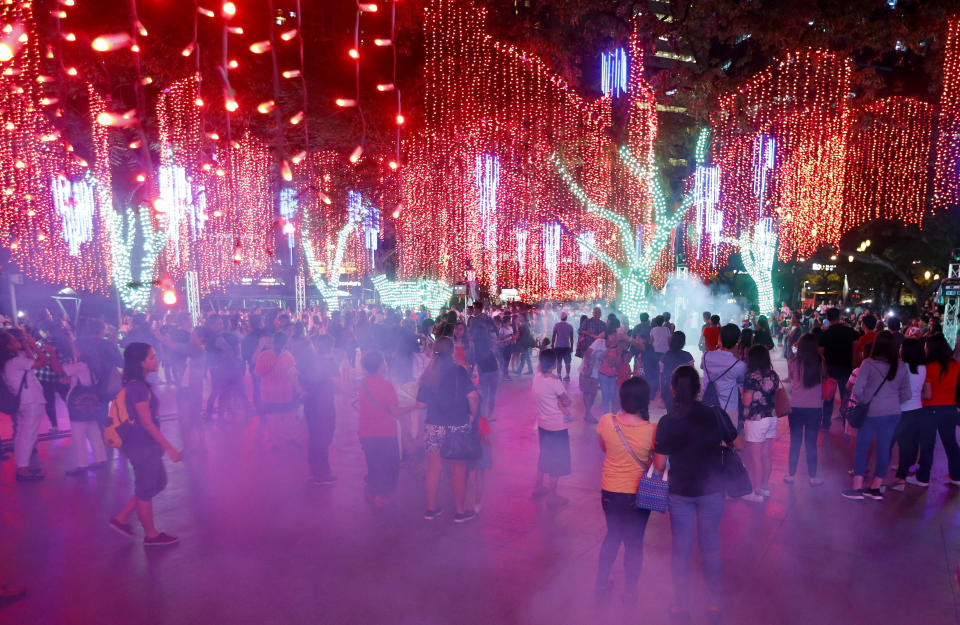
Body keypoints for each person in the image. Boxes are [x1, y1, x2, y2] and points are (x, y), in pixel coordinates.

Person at [653, 366, 739, 625]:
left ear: (673, 390)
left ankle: (681, 605)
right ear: (699, 388)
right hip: (712, 491)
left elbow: (658, 466)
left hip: (680, 492)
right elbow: (740, 443)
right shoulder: (715, 413)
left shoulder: (668, 421)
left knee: (681, 549)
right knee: (710, 547)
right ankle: (714, 605)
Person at [108, 343, 183, 546]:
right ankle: (151, 535)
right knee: (146, 489)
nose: (156, 360)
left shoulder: (137, 385)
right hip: (141, 445)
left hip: (143, 444)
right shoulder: (138, 388)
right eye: (152, 357)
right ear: (141, 362)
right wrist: (170, 447)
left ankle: (121, 518)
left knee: (156, 483)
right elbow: (146, 422)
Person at [595, 377, 657, 602]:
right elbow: (656, 465)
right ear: (644, 401)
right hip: (637, 494)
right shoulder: (652, 430)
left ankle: (601, 583)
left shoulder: (606, 421)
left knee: (612, 535)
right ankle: (630, 591)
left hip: (609, 491)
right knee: (634, 542)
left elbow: (604, 448)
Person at [416, 337, 481, 523]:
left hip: (433, 425)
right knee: (458, 470)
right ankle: (460, 512)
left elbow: (420, 404)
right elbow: (473, 396)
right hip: (456, 426)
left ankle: (431, 509)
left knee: (434, 468)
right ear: (452, 351)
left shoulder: (429, 372)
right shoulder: (458, 371)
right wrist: (471, 416)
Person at [842, 331, 911, 500]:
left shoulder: (868, 364)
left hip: (872, 413)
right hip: (893, 413)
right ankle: (875, 487)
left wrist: (868, 402)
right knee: (884, 449)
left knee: (862, 447)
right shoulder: (901, 366)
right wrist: (893, 402)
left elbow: (857, 391)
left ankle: (857, 487)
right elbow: (906, 394)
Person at [358, 350, 411, 507]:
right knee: (390, 465)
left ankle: (371, 490)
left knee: (373, 463)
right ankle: (382, 496)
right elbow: (394, 411)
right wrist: (413, 407)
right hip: (385, 432)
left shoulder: (363, 383)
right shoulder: (386, 385)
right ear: (382, 366)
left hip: (365, 431)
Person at [911, 334, 960, 487]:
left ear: (931, 349)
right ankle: (956, 475)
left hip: (930, 410)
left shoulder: (928, 368)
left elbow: (928, 394)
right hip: (950, 409)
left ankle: (923, 478)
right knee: (951, 444)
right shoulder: (956, 366)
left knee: (927, 445)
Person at [1, 330, 49, 482]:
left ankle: (22, 466)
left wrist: (27, 346)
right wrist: (33, 344)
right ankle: (22, 469)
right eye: (14, 339)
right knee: (27, 436)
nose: (17, 340)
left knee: (23, 434)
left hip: (24, 401)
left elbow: (31, 361)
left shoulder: (10, 361)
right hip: (31, 401)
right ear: (8, 346)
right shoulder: (16, 362)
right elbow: (44, 361)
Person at [531, 349, 573, 506]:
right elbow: (567, 401)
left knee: (544, 454)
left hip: (543, 424)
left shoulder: (536, 378)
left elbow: (540, 371)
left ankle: (538, 487)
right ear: (554, 363)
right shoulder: (554, 382)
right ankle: (552, 496)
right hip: (557, 426)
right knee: (557, 459)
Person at [741, 345, 780, 502]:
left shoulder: (751, 376)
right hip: (772, 417)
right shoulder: (773, 375)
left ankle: (756, 492)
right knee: (766, 455)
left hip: (756, 419)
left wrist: (741, 393)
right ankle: (765, 487)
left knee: (755, 457)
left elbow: (747, 401)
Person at [63, 344, 109, 476]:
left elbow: (60, 369)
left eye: (76, 348)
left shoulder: (80, 365)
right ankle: (101, 458)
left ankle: (82, 464)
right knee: (93, 429)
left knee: (78, 433)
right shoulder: (94, 364)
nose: (74, 350)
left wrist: (52, 355)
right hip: (92, 400)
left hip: (79, 402)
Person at [785, 334, 824, 486]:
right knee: (811, 443)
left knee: (795, 441)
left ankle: (791, 475)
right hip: (814, 408)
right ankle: (813, 477)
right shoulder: (821, 361)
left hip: (796, 407)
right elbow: (824, 378)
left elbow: (791, 379)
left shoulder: (793, 362)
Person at [892, 338, 927, 490]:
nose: (899, 349)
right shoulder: (923, 368)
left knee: (889, 443)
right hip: (917, 410)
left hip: (901, 410)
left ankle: (900, 479)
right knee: (910, 446)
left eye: (901, 347)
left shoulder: (900, 367)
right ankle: (904, 472)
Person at [701, 324, 746, 428]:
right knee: (729, 440)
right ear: (738, 340)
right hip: (729, 408)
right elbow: (741, 380)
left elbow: (704, 368)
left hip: (707, 404)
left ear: (719, 338)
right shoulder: (739, 365)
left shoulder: (706, 356)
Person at [819, 307, 858, 425]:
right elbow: (855, 350)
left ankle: (826, 423)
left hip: (830, 369)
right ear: (839, 317)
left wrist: (823, 370)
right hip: (846, 368)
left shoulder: (825, 334)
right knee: (845, 397)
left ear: (827, 318)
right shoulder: (850, 332)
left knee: (828, 398)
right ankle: (846, 423)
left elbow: (821, 355)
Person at [659, 331, 695, 414]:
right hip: (684, 390)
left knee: (671, 413)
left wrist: (661, 394)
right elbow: (692, 376)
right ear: (683, 342)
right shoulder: (688, 356)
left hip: (669, 389)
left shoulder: (665, 356)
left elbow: (661, 376)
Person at [551, 312, 574, 381]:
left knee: (559, 362)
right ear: (566, 318)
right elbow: (571, 338)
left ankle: (559, 376)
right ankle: (567, 376)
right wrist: (572, 347)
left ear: (560, 317)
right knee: (567, 362)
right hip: (567, 347)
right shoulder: (570, 326)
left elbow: (554, 336)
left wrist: (552, 345)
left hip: (558, 347)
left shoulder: (556, 325)